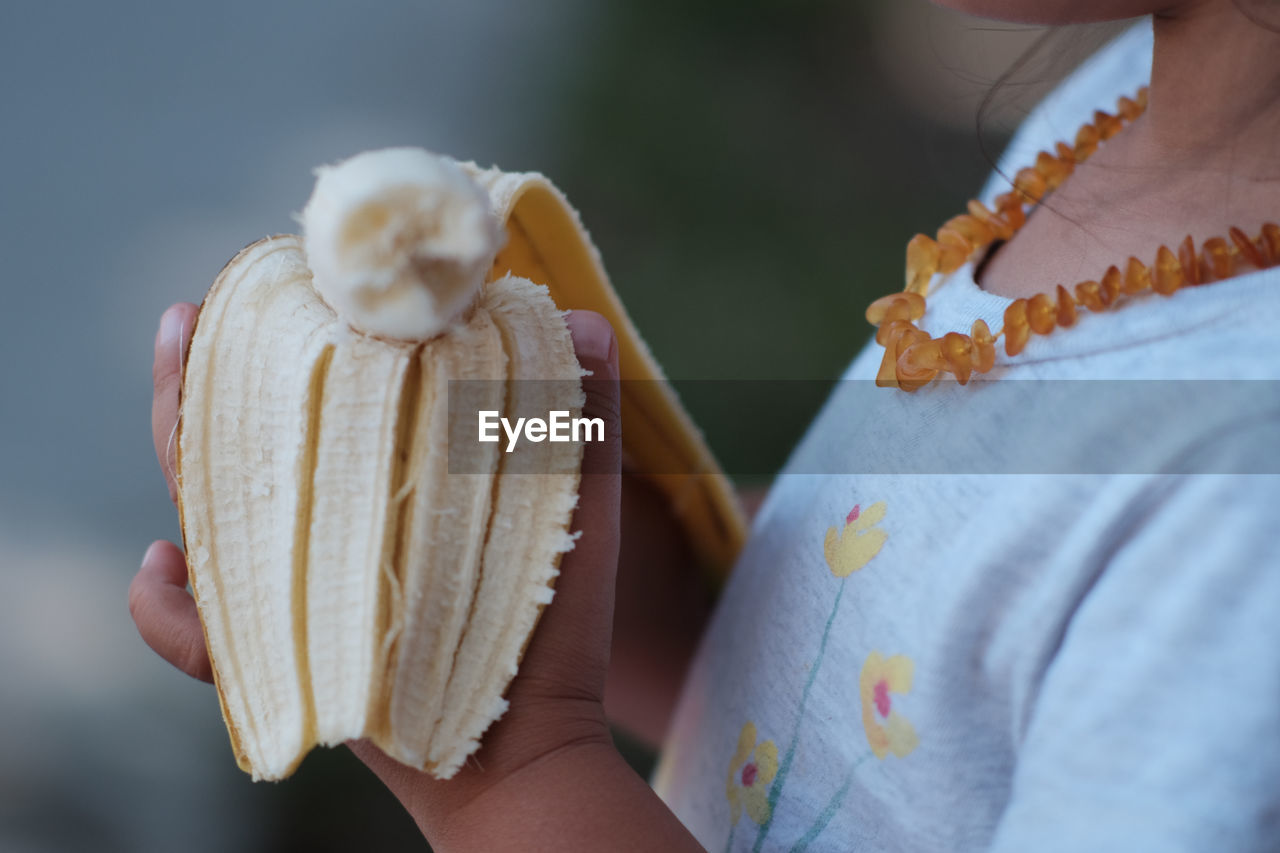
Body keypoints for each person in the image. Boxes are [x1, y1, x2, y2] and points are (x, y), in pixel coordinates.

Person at [129, 1, 1280, 849]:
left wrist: (502, 773)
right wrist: (517, 534)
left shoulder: (1240, 504)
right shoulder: (1122, 98)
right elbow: (872, 671)